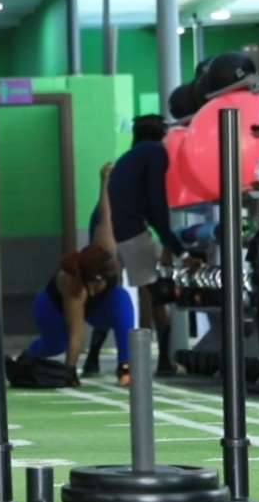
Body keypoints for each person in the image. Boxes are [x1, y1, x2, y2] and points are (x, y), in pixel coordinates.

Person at [81, 115, 196, 377]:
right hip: (129, 228)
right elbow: (156, 203)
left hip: (102, 227)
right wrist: (177, 247)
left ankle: (92, 359)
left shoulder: (130, 156)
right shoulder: (155, 152)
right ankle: (164, 361)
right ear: (162, 133)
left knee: (108, 290)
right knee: (157, 290)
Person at [27, 164, 135, 386]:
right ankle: (28, 357)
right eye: (112, 267)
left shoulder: (106, 247)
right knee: (57, 345)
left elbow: (105, 214)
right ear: (97, 278)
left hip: (95, 306)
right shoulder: (72, 285)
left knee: (122, 300)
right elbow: (77, 335)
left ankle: (126, 366)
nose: (117, 264)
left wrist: (104, 181)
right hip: (51, 309)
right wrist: (69, 373)